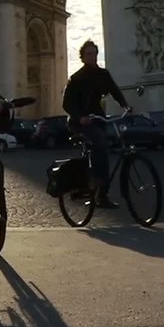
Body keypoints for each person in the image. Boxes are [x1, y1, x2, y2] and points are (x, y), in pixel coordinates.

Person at [61, 39, 131, 209]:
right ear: (83, 58)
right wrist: (80, 118)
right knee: (100, 142)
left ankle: (99, 186)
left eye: (94, 54)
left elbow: (115, 90)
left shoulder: (103, 74)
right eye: (89, 54)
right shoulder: (76, 78)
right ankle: (99, 187)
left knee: (103, 146)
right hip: (78, 122)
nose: (93, 57)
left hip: (97, 118)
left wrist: (125, 105)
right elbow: (67, 104)